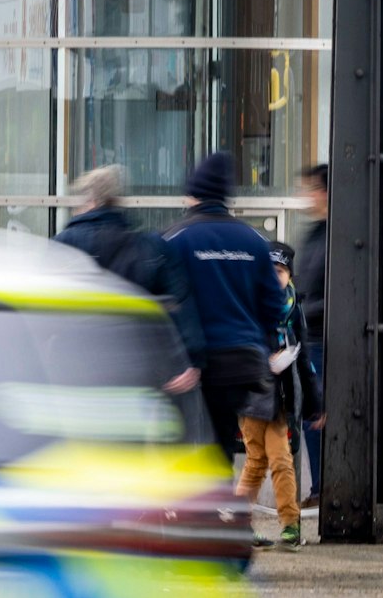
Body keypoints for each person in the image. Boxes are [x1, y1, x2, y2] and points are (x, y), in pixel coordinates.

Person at [163, 153, 284, 473]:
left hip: (196, 364)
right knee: (220, 442)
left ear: (194, 194)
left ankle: (205, 511)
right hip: (242, 363)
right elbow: (274, 302)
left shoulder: (177, 238)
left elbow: (164, 299)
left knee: (189, 441)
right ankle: (219, 510)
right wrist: (266, 343)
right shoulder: (254, 241)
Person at [55, 165, 202, 392]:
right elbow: (180, 301)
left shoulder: (62, 247)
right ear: (116, 200)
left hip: (76, 367)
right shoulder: (149, 246)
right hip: (137, 368)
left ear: (90, 200)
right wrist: (192, 359)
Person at [234, 241, 323, 552]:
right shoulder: (249, 304)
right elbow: (240, 347)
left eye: (281, 271)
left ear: (290, 275)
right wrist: (266, 363)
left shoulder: (294, 308)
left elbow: (304, 357)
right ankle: (246, 526)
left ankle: (288, 526)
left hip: (279, 399)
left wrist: (314, 403)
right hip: (252, 398)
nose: (275, 277)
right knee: (258, 462)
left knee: (280, 461)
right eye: (270, 270)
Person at [292, 163, 329, 506]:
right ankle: (319, 486)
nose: (305, 197)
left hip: (320, 338)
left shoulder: (333, 236)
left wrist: (301, 311)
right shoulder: (315, 234)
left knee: (316, 416)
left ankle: (322, 488)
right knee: (309, 416)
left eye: (310, 189)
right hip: (309, 337)